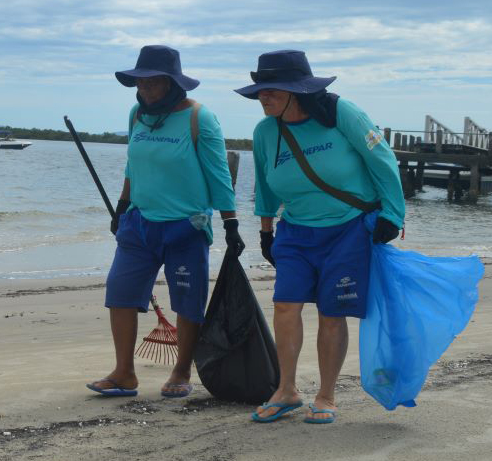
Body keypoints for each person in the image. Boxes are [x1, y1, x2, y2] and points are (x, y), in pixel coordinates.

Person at [235, 49, 404, 424]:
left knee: (332, 312)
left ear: (297, 91)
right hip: (294, 231)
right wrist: (266, 233)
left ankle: (326, 395)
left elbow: (383, 160)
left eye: (273, 90)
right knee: (285, 305)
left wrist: (393, 214)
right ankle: (286, 390)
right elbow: (265, 187)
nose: (263, 96)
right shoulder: (266, 132)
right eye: (261, 90)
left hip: (347, 230)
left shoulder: (342, 114)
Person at [87, 45, 244, 399]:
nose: (145, 90)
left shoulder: (199, 118)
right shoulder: (136, 115)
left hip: (186, 226)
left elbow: (219, 174)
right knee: (120, 293)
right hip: (138, 222)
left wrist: (230, 222)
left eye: (154, 84)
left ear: (174, 84)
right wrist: (121, 207)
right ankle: (124, 373)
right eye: (140, 84)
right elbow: (133, 165)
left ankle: (181, 370)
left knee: (187, 300)